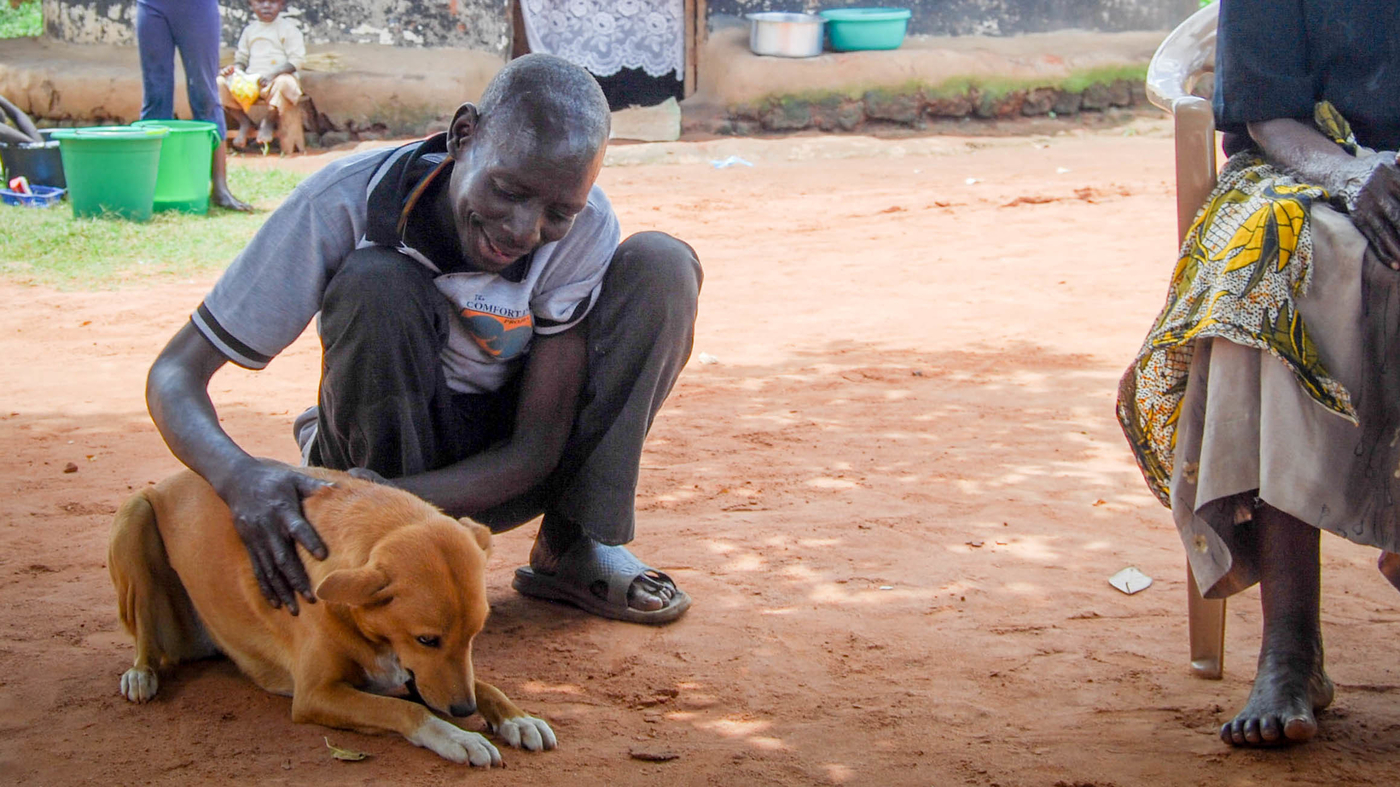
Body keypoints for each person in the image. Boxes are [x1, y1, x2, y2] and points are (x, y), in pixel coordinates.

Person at [146, 54, 700, 625]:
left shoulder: (583, 228)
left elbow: (535, 448)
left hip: (508, 469)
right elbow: (173, 373)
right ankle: (381, 552)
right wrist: (241, 478)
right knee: (376, 282)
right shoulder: (342, 202)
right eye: (508, 189)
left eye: (559, 210)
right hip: (374, 457)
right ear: (464, 135)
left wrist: (389, 492)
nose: (524, 230)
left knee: (662, 264)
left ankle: (575, 543)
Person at [1117, 0, 1400, 748]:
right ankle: (1291, 645)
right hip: (1308, 164)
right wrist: (1352, 174)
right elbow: (1269, 113)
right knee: (1265, 273)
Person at [136, 0, 250, 211]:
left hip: (197, 7)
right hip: (152, 6)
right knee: (155, 95)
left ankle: (220, 188)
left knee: (205, 93)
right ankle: (152, 187)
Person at [216, 0, 305, 149]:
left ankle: (268, 122)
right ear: (251, 4)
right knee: (219, 83)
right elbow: (241, 59)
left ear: (281, 5)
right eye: (260, 2)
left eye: (272, 2)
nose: (266, 6)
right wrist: (235, 71)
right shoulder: (250, 30)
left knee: (286, 83)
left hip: (276, 80)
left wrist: (272, 74)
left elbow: (297, 61)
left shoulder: (289, 29)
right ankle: (245, 123)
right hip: (251, 81)